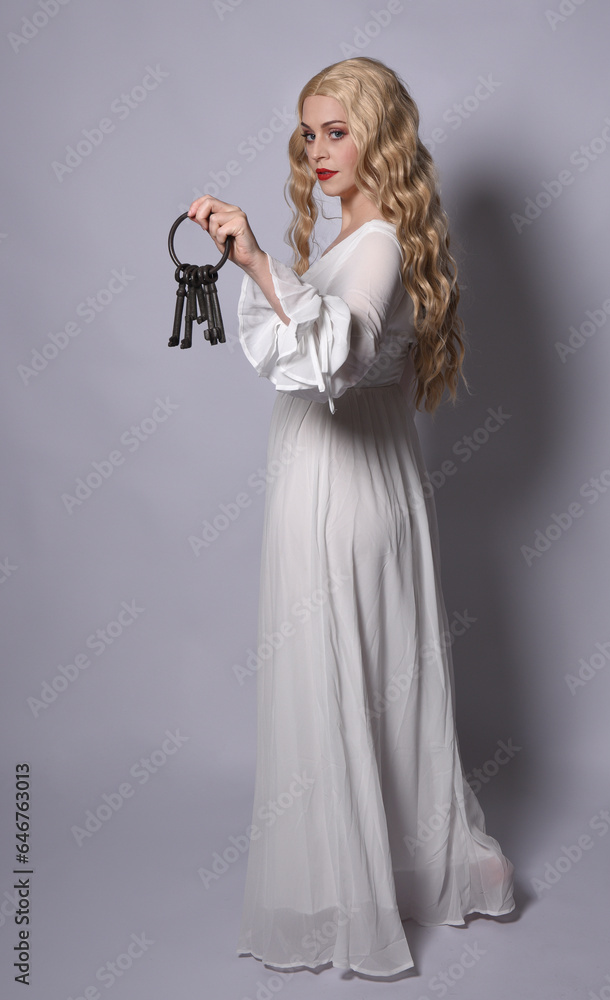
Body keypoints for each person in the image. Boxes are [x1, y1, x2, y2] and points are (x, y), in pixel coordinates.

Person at [187, 55, 515, 979]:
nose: (319, 148)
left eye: (338, 129)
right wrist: (264, 269)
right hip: (338, 486)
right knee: (360, 678)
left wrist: (253, 259)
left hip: (345, 494)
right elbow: (309, 340)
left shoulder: (374, 246)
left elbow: (339, 354)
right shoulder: (357, 236)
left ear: (381, 135)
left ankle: (360, 890)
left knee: (344, 675)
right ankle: (369, 873)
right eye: (309, 131)